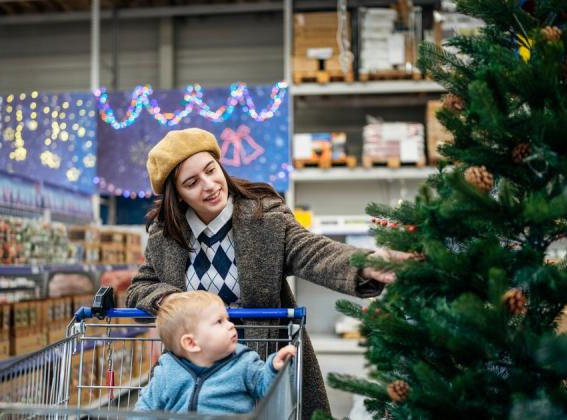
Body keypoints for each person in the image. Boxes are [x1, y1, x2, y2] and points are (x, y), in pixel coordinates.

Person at [126, 128, 411, 419]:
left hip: (262, 365)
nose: (210, 185)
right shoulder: (166, 237)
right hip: (194, 371)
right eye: (192, 182)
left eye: (211, 170)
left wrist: (366, 262)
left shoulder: (265, 219)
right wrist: (178, 304)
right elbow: (139, 288)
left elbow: (312, 250)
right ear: (180, 196)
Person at [135, 291, 297, 414]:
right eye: (219, 321)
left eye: (227, 319)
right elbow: (145, 407)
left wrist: (273, 368)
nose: (231, 325)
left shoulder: (244, 362)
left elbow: (264, 387)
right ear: (191, 343)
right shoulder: (167, 372)